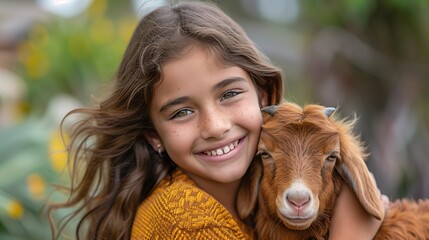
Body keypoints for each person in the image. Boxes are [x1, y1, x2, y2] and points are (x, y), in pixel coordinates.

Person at [48, 1, 388, 239]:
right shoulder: (184, 221)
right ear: (154, 134)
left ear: (264, 97)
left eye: (229, 94)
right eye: (181, 112)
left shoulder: (261, 207)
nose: (215, 126)